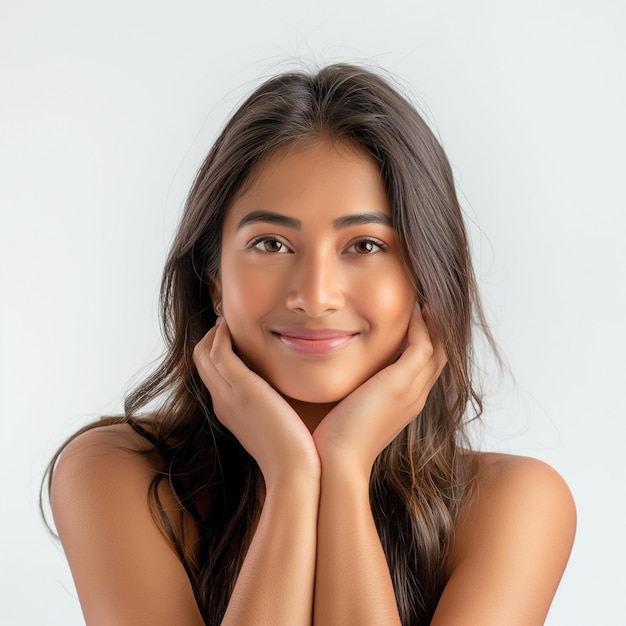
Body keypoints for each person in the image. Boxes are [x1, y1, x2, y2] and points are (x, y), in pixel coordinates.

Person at [44, 63, 576, 626]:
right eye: (271, 243)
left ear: (426, 279)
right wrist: (292, 478)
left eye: (366, 245)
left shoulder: (515, 506)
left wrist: (343, 470)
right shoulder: (115, 475)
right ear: (214, 282)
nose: (315, 296)